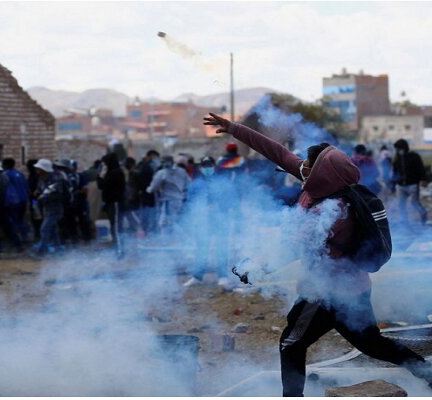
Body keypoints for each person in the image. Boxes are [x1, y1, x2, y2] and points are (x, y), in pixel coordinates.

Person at [204, 112, 432, 397]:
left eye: (308, 165)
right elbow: (278, 153)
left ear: (322, 173)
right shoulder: (323, 183)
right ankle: (426, 372)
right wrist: (234, 129)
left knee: (291, 343)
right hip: (354, 290)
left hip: (325, 294)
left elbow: (293, 249)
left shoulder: (334, 211)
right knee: (371, 343)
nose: (301, 168)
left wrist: (256, 267)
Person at [183, 156, 233, 287]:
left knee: (221, 248)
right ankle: (197, 277)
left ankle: (223, 276)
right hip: (202, 221)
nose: (207, 168)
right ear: (201, 168)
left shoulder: (222, 182)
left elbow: (230, 199)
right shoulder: (196, 184)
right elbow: (189, 202)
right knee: (201, 248)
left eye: (209, 165)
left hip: (220, 220)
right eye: (205, 165)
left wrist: (219, 206)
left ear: (214, 166)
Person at [146, 155, 191, 237]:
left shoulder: (162, 173)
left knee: (166, 222)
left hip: (168, 201)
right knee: (172, 221)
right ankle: (169, 240)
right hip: (179, 200)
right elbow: (188, 184)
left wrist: (148, 189)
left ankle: (182, 239)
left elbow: (153, 187)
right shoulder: (182, 171)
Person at [30, 159, 66, 257]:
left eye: (39, 169)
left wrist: (41, 196)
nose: (37, 171)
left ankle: (41, 251)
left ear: (44, 169)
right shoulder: (42, 178)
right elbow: (39, 188)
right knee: (53, 229)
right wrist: (37, 192)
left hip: (55, 208)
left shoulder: (55, 179)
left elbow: (55, 194)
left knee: (44, 228)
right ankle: (58, 249)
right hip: (47, 207)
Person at [392, 139, 428, 225]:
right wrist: (393, 185)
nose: (398, 150)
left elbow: (421, 168)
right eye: (397, 149)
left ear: (405, 147)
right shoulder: (397, 159)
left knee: (414, 202)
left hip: (413, 184)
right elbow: (395, 172)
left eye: (399, 148)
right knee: (401, 204)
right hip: (401, 186)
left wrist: (423, 179)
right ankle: (404, 220)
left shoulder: (414, 156)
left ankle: (423, 215)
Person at [97, 152, 126, 259]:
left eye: (105, 163)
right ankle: (118, 248)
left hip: (115, 203)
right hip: (111, 202)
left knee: (117, 228)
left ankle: (120, 250)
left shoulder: (115, 172)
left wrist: (100, 176)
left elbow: (102, 185)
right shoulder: (112, 172)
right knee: (115, 227)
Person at [3, 158, 30, 244]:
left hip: (13, 201)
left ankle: (17, 242)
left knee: (13, 221)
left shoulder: (6, 174)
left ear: (5, 165)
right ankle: (24, 237)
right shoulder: (20, 174)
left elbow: (4, 187)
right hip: (23, 200)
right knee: (21, 220)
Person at [134, 150, 160, 234]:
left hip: (151, 194)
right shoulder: (144, 166)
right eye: (154, 157)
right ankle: (147, 231)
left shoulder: (151, 166)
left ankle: (150, 231)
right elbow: (141, 180)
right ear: (149, 156)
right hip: (146, 193)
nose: (155, 159)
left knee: (151, 214)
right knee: (147, 214)